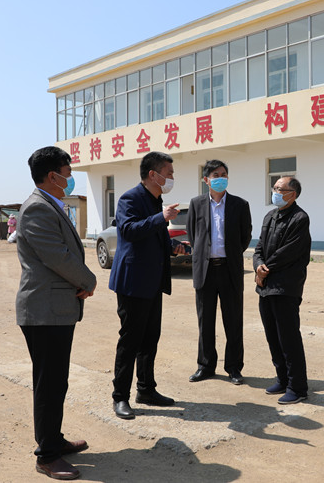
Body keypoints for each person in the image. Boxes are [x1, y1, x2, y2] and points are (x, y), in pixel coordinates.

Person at [16, 146, 97, 480]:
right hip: (44, 311)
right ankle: (47, 456)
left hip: (54, 309)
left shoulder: (49, 204)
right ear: (53, 175)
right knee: (49, 384)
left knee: (55, 381)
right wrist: (88, 280)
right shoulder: (38, 208)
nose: (70, 177)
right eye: (68, 172)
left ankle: (53, 439)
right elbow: (57, 256)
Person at [109, 151, 186, 420]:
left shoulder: (156, 201)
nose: (172, 177)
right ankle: (120, 397)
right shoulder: (130, 198)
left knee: (150, 338)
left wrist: (173, 246)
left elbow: (153, 237)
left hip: (152, 281)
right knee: (130, 340)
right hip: (133, 282)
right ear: (153, 174)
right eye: (169, 173)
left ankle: (146, 389)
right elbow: (129, 230)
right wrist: (160, 218)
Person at [186, 160, 252, 385]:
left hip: (229, 270)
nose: (221, 178)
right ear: (206, 180)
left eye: (224, 174)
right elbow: (193, 235)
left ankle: (234, 367)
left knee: (233, 321)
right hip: (205, 271)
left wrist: (230, 254)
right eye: (216, 174)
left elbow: (245, 236)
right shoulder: (196, 204)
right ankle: (205, 366)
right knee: (205, 322)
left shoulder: (240, 205)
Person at [253, 176, 311, 405]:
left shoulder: (300, 218)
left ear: (292, 194)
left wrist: (265, 270)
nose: (275, 191)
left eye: (280, 189)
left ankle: (298, 388)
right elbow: (259, 246)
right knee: (273, 336)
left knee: (288, 338)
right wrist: (258, 265)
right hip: (266, 286)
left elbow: (289, 252)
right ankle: (282, 379)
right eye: (274, 188)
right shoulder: (270, 216)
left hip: (286, 287)